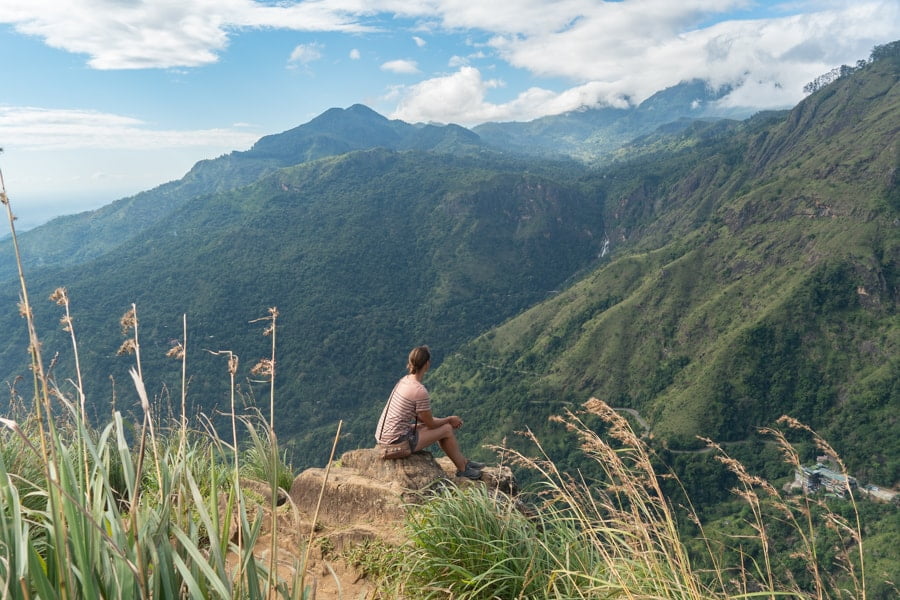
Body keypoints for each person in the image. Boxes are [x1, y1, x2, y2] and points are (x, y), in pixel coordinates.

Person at [375, 345, 484, 479]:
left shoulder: (404, 381)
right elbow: (431, 424)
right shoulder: (419, 391)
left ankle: (463, 461)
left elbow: (422, 419)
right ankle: (463, 469)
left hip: (386, 437)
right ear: (427, 364)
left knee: (443, 427)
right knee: (447, 430)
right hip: (396, 443)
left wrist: (445, 420)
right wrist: (450, 419)